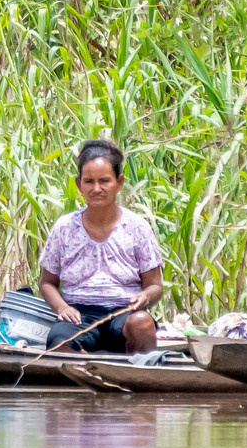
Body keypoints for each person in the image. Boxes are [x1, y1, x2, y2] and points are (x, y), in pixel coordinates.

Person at [36, 140, 165, 355]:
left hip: (125, 314)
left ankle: (137, 378)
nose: (96, 189)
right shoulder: (65, 227)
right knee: (59, 342)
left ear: (119, 182)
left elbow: (155, 286)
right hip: (79, 316)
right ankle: (82, 376)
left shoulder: (137, 227)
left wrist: (146, 297)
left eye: (104, 181)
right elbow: (47, 283)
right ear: (79, 185)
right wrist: (62, 308)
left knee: (142, 323)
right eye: (89, 182)